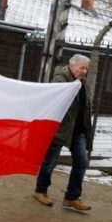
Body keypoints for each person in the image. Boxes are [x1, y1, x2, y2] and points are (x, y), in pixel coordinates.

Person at [33, 54, 93, 211]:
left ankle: (71, 197)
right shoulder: (60, 80)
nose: (84, 71)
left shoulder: (84, 83)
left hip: (78, 130)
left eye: (86, 68)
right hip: (60, 129)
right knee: (50, 162)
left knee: (81, 162)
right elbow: (53, 101)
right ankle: (40, 190)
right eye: (82, 67)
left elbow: (85, 107)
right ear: (72, 66)